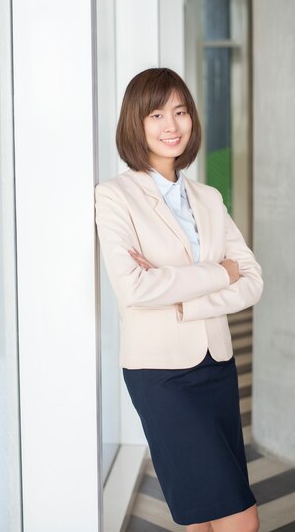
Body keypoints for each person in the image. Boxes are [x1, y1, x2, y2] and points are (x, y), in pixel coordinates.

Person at [94, 67, 263, 532]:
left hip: (217, 365)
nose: (172, 125)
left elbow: (251, 281)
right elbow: (134, 288)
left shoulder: (208, 197)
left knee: (200, 516)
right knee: (239, 517)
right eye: (156, 114)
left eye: (180, 111)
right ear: (136, 123)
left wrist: (184, 299)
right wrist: (217, 274)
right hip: (161, 375)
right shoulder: (114, 197)